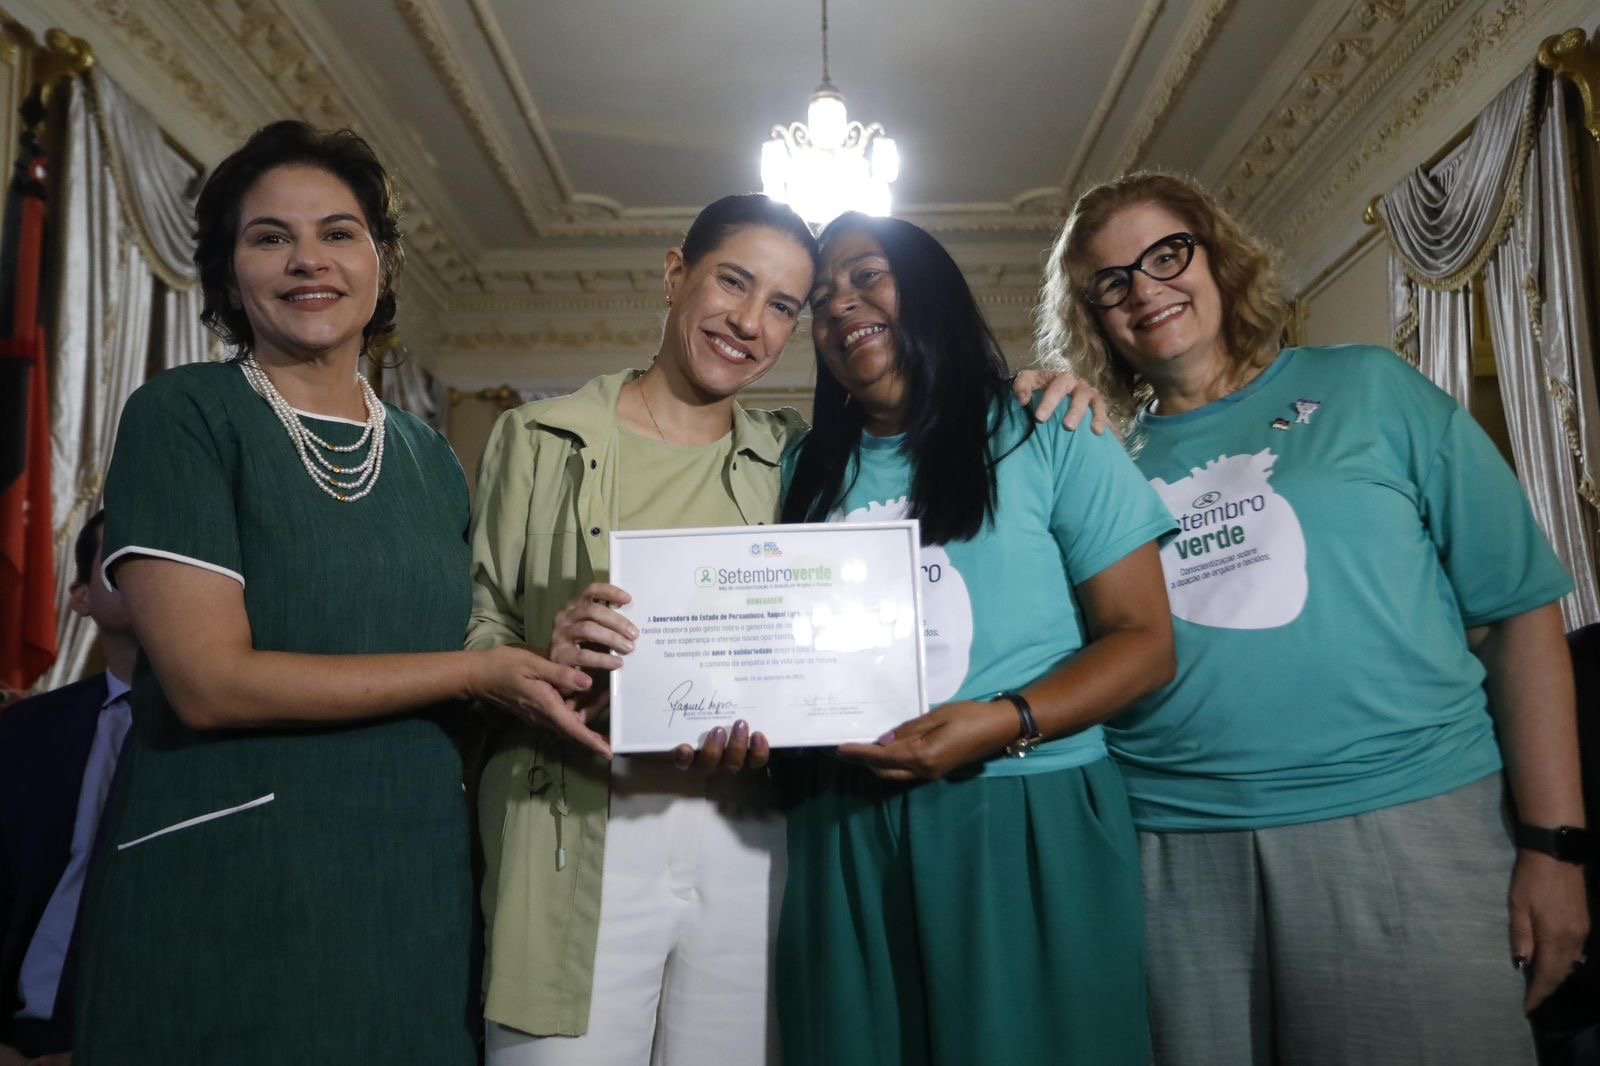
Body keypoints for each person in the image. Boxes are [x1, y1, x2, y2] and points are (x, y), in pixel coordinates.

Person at [468, 195, 1104, 1066]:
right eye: (734, 282)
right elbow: (482, 632)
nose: (749, 321)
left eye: (781, 306)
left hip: (750, 831)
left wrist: (1038, 379)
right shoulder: (538, 437)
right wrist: (542, 664)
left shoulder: (800, 459)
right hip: (577, 830)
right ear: (673, 273)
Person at [1037, 170, 1586, 1066]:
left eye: (1167, 254)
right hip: (1170, 851)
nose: (1146, 289)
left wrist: (1555, 846)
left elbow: (1520, 614)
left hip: (1409, 825)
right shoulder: (1088, 458)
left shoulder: (1371, 387)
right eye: (1112, 281)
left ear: (1217, 258)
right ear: (1094, 315)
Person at [71, 120, 590, 1065]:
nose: (309, 260)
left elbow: (470, 686)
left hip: (417, 891)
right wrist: (478, 672)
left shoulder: (433, 460)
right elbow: (209, 683)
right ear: (229, 276)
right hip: (232, 891)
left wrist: (572, 666)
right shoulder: (185, 416)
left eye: (339, 233)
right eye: (270, 237)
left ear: (381, 263)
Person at [774, 212, 1178, 1065]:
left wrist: (1000, 720)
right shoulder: (800, 469)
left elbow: (1143, 641)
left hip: (1025, 805)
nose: (840, 304)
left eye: (865, 274)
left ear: (933, 292)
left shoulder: (1049, 430)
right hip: (844, 821)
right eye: (819, 299)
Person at [0, 512, 129, 1066]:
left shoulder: (254, 740)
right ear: (81, 597)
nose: (153, 571)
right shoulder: (20, 734)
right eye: (124, 555)